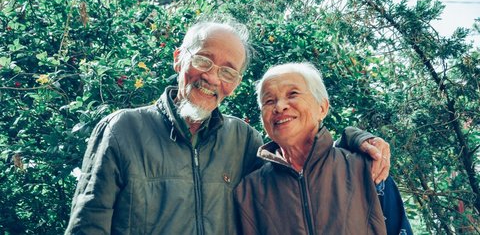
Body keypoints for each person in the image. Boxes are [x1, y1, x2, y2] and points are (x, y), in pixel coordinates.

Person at [65, 19, 391, 234]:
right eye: (203, 60)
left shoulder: (244, 141)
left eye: (228, 71)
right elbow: (88, 226)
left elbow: (301, 163)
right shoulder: (123, 129)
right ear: (179, 59)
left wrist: (355, 139)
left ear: (234, 83)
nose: (211, 77)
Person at [234, 62, 412, 234]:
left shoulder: (368, 169)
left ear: (322, 108)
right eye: (269, 101)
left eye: (293, 94)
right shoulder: (249, 190)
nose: (280, 106)